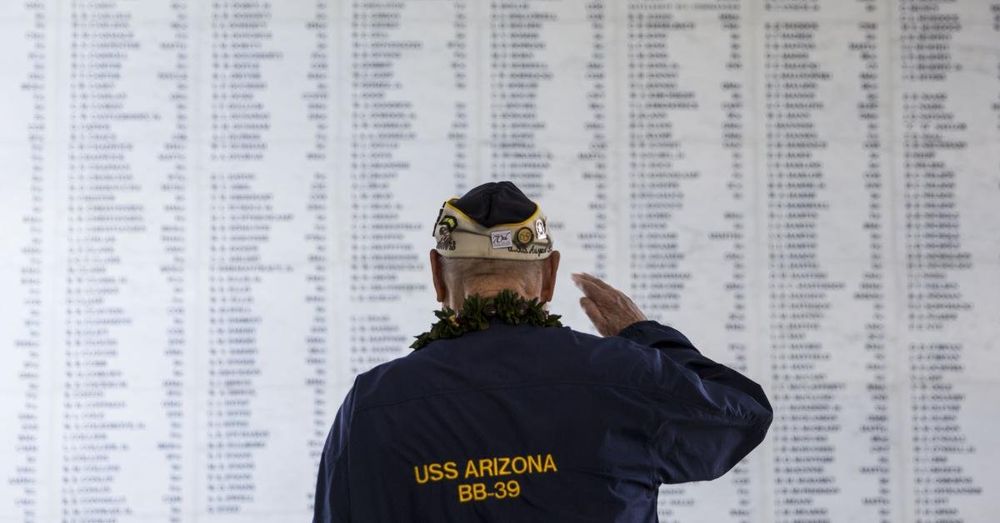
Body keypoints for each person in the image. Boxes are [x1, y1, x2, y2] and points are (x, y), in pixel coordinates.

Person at [313, 181, 772, 522]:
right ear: (550, 276)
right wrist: (642, 334)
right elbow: (743, 415)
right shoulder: (622, 378)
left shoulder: (372, 404)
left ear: (437, 275)